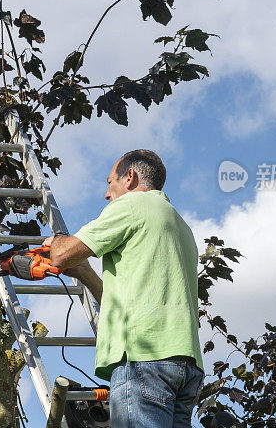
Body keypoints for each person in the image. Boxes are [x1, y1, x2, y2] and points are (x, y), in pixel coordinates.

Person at [42, 149, 204, 428]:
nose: (107, 194)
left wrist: (57, 241)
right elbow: (124, 301)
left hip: (144, 359)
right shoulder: (177, 224)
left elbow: (61, 255)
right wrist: (86, 274)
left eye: (109, 182)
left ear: (129, 177)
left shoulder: (132, 206)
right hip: (184, 366)